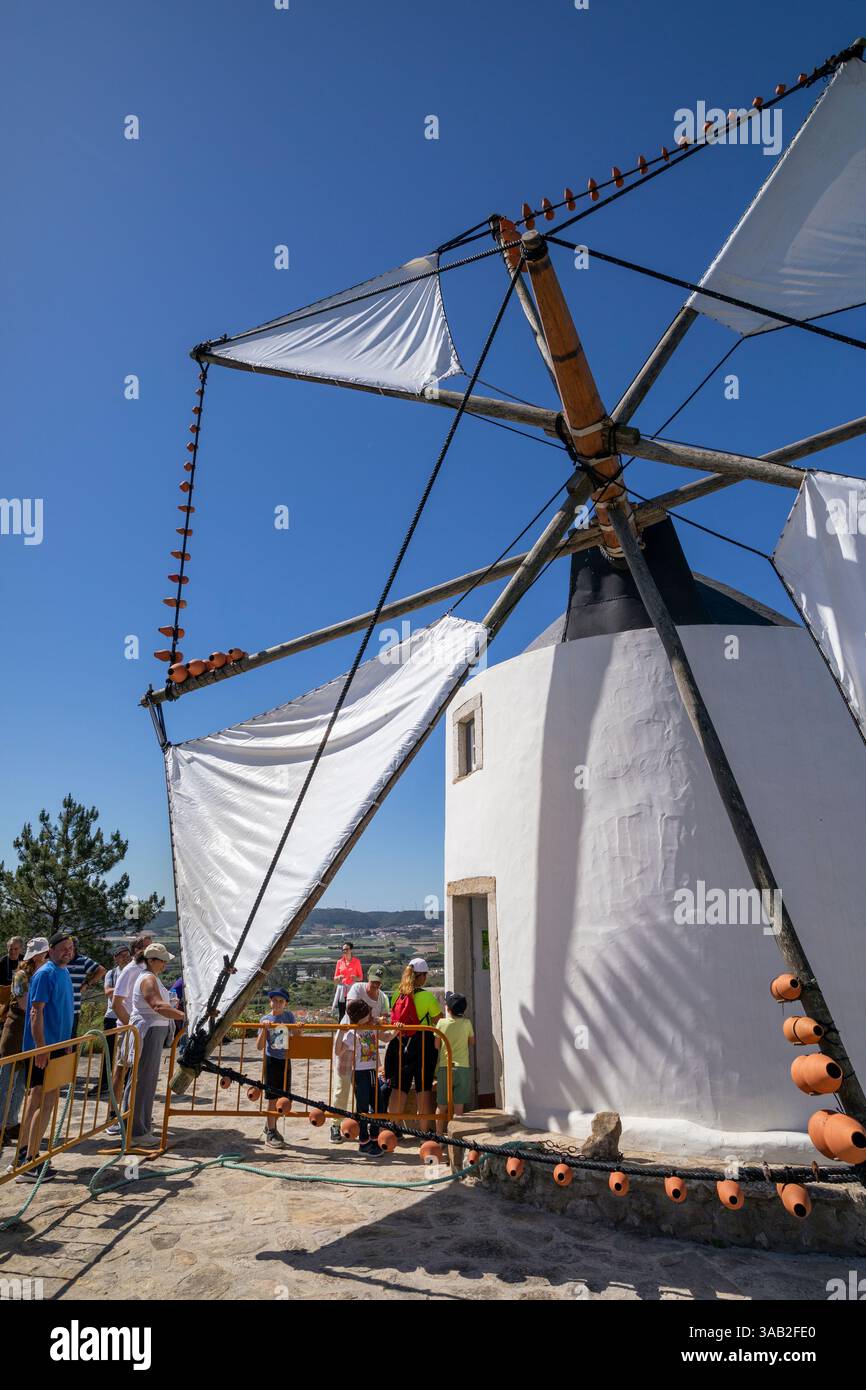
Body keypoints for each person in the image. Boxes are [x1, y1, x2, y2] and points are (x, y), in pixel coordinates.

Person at [14, 931, 76, 1182]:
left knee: (40, 1097)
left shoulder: (64, 973)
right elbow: (35, 1013)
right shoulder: (44, 974)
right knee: (44, 1099)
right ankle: (30, 1160)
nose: (68, 951)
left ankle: (24, 1154)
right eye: (63, 947)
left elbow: (64, 1010)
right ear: (50, 950)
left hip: (59, 1046)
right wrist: (41, 1047)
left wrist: (70, 1044)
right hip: (45, 1047)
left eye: (71, 947)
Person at [109, 944, 183, 1148]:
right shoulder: (148, 978)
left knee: (144, 1080)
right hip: (148, 1031)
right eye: (162, 960)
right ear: (151, 960)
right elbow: (157, 1005)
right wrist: (184, 1016)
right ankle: (136, 1131)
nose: (165, 964)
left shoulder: (150, 977)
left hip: (152, 1030)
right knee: (142, 1080)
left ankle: (138, 1127)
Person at [330, 965, 389, 1144]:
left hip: (366, 1048)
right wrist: (375, 1021)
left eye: (378, 982)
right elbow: (352, 1011)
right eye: (373, 981)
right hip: (348, 1042)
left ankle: (366, 1126)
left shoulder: (382, 998)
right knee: (342, 1087)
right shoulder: (357, 988)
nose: (375, 985)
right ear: (368, 978)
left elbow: (379, 1027)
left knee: (368, 1092)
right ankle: (335, 1124)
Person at [0, 937, 49, 1152]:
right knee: (5, 1080)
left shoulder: (41, 974)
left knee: (21, 1083)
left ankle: (11, 1123)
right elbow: (24, 1005)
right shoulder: (21, 976)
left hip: (29, 1032)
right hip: (16, 1031)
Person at [386, 958, 442, 1124]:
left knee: (398, 1088)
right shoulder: (428, 997)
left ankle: (393, 1128)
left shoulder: (397, 994)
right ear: (422, 976)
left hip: (400, 1041)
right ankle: (424, 1132)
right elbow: (438, 1021)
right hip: (422, 1043)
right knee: (423, 1088)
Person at [334, 999, 387, 1158]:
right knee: (363, 1108)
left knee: (377, 1106)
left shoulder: (372, 1027)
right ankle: (363, 1142)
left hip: (372, 1072)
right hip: (360, 1074)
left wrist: (397, 1029)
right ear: (359, 1017)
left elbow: (387, 1037)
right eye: (367, 1013)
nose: (370, 1015)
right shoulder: (352, 1033)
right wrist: (341, 1032)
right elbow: (338, 1051)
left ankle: (374, 1137)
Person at [108, 932, 153, 1098]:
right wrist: (132, 1026)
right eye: (148, 947)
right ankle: (113, 1113)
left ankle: (129, 1109)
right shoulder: (130, 970)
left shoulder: (145, 969)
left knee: (135, 1071)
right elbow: (116, 1003)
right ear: (138, 949)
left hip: (140, 1028)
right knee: (121, 1069)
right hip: (129, 1028)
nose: (152, 950)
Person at [90, 943, 131, 1098]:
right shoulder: (112, 973)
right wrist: (124, 988)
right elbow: (107, 992)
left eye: (127, 955)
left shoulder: (131, 972)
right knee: (108, 1052)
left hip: (127, 1016)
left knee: (126, 1053)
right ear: (115, 958)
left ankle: (124, 1083)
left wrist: (118, 990)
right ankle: (105, 1083)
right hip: (111, 1016)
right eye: (122, 955)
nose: (125, 958)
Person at [256, 988, 296, 1148]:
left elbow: (297, 1035)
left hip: (286, 1061)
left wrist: (298, 1027)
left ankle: (269, 1125)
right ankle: (271, 1131)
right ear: (270, 1001)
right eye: (275, 1000)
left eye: (281, 1001)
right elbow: (259, 1046)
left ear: (285, 1003)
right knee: (272, 1099)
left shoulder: (288, 1016)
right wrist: (264, 1029)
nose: (278, 1003)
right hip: (272, 1061)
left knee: (285, 1101)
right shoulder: (266, 1019)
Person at [434, 992, 475, 1136]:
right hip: (462, 1068)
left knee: (441, 1106)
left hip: (446, 1067)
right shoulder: (467, 1023)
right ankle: (456, 1139)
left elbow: (436, 1045)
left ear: (448, 1009)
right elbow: (472, 1042)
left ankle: (439, 1136)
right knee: (459, 1109)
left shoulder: (441, 1023)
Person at [67, 940, 106, 1037]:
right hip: (57, 1007)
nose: (67, 950)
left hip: (73, 1008)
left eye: (70, 947)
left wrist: (87, 984)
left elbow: (101, 970)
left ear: (74, 948)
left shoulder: (82, 961)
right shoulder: (58, 961)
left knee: (70, 1040)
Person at [331, 941, 362, 1018]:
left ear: (351, 950)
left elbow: (361, 978)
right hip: (342, 992)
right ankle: (341, 1029)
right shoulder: (339, 962)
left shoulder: (356, 962)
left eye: (346, 949)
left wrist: (355, 978)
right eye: (343, 950)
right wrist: (338, 978)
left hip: (353, 992)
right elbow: (335, 979)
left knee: (352, 1014)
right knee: (342, 1015)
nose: (345, 951)